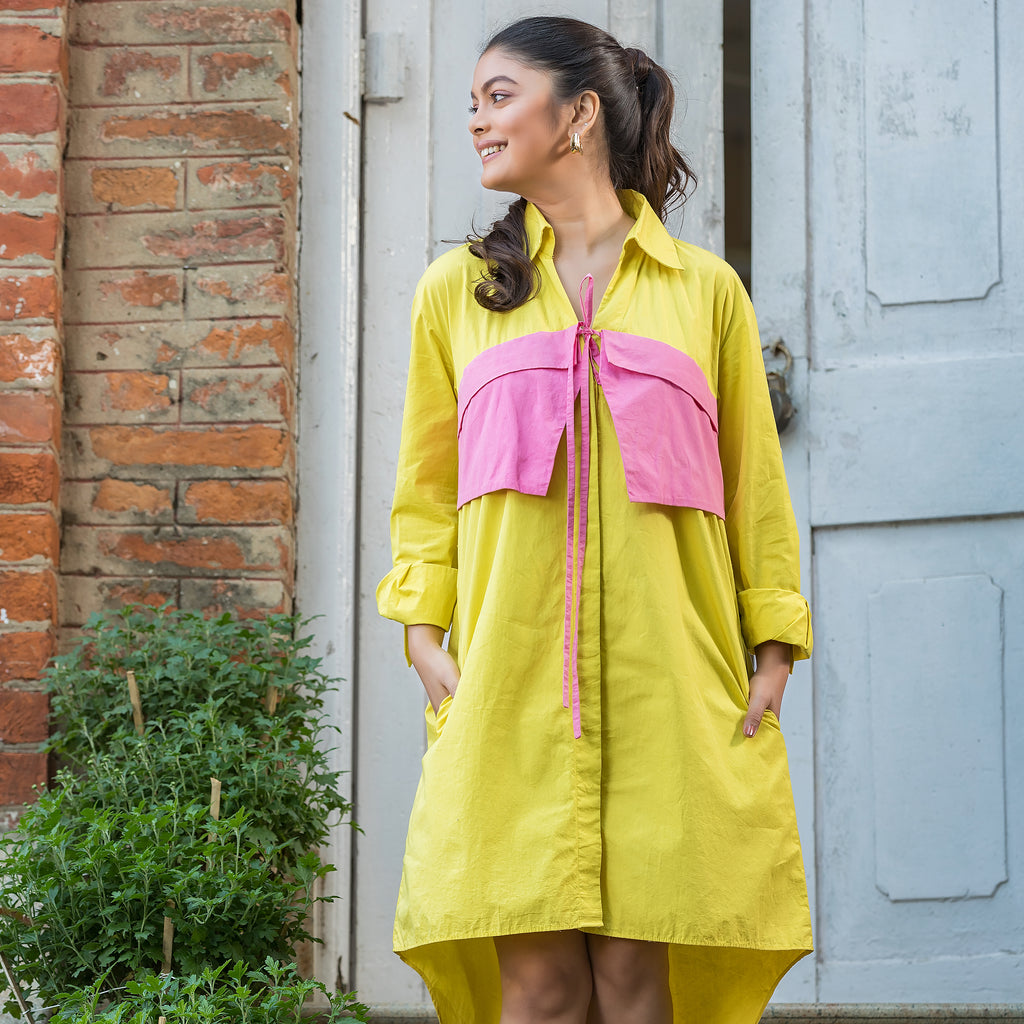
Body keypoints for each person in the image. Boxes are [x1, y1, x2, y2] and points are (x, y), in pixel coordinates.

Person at [376, 15, 813, 1024]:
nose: (477, 121)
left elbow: (753, 483)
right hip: (506, 681)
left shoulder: (704, 292)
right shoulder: (457, 293)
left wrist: (773, 640)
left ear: (575, 114)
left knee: (633, 983)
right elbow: (423, 481)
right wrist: (421, 631)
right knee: (534, 986)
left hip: (671, 678)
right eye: (474, 103)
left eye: (498, 96)